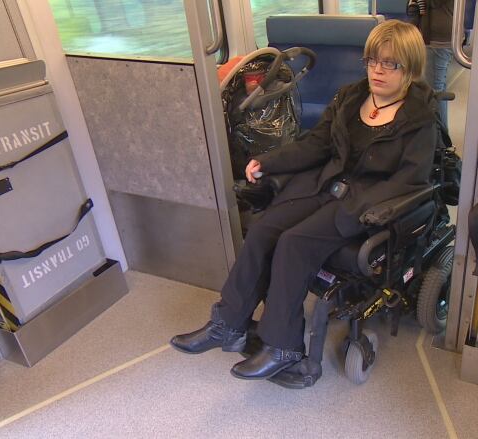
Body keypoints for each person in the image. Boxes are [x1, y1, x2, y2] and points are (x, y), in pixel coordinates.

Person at [170, 20, 439, 381]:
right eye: (372, 60)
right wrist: (268, 162)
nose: (378, 70)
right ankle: (227, 324)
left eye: (390, 64)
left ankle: (282, 346)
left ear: (410, 68)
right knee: (263, 230)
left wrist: (362, 208)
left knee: (294, 244)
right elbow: (316, 145)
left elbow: (410, 180)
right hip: (324, 187)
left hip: (364, 205)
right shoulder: (350, 97)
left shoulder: (419, 118)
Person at [409, 0, 455, 128]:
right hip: (435, 37)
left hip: (437, 39)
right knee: (438, 89)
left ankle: (440, 139)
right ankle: (443, 138)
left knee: (433, 92)